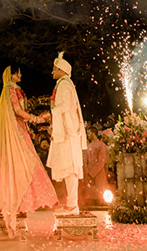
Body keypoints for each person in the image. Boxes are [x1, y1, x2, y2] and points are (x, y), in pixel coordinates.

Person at [0, 66, 57, 235]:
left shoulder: (14, 89)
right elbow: (18, 111)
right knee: (14, 168)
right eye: (18, 72)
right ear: (12, 75)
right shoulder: (10, 89)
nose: (20, 75)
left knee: (17, 167)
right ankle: (3, 206)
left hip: (18, 131)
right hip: (13, 133)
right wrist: (37, 118)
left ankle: (13, 206)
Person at [45, 52, 88, 215]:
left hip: (67, 133)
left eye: (54, 68)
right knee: (68, 168)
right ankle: (71, 203)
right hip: (67, 132)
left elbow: (66, 106)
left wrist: (52, 113)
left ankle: (72, 204)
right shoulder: (64, 83)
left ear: (62, 70)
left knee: (70, 168)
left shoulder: (64, 84)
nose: (52, 72)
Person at [81, 126, 109, 207]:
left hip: (99, 175)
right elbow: (85, 161)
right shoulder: (88, 146)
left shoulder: (101, 145)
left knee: (100, 200)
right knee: (90, 200)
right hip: (90, 176)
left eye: (89, 133)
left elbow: (101, 162)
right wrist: (87, 174)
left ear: (93, 133)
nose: (88, 135)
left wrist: (91, 174)